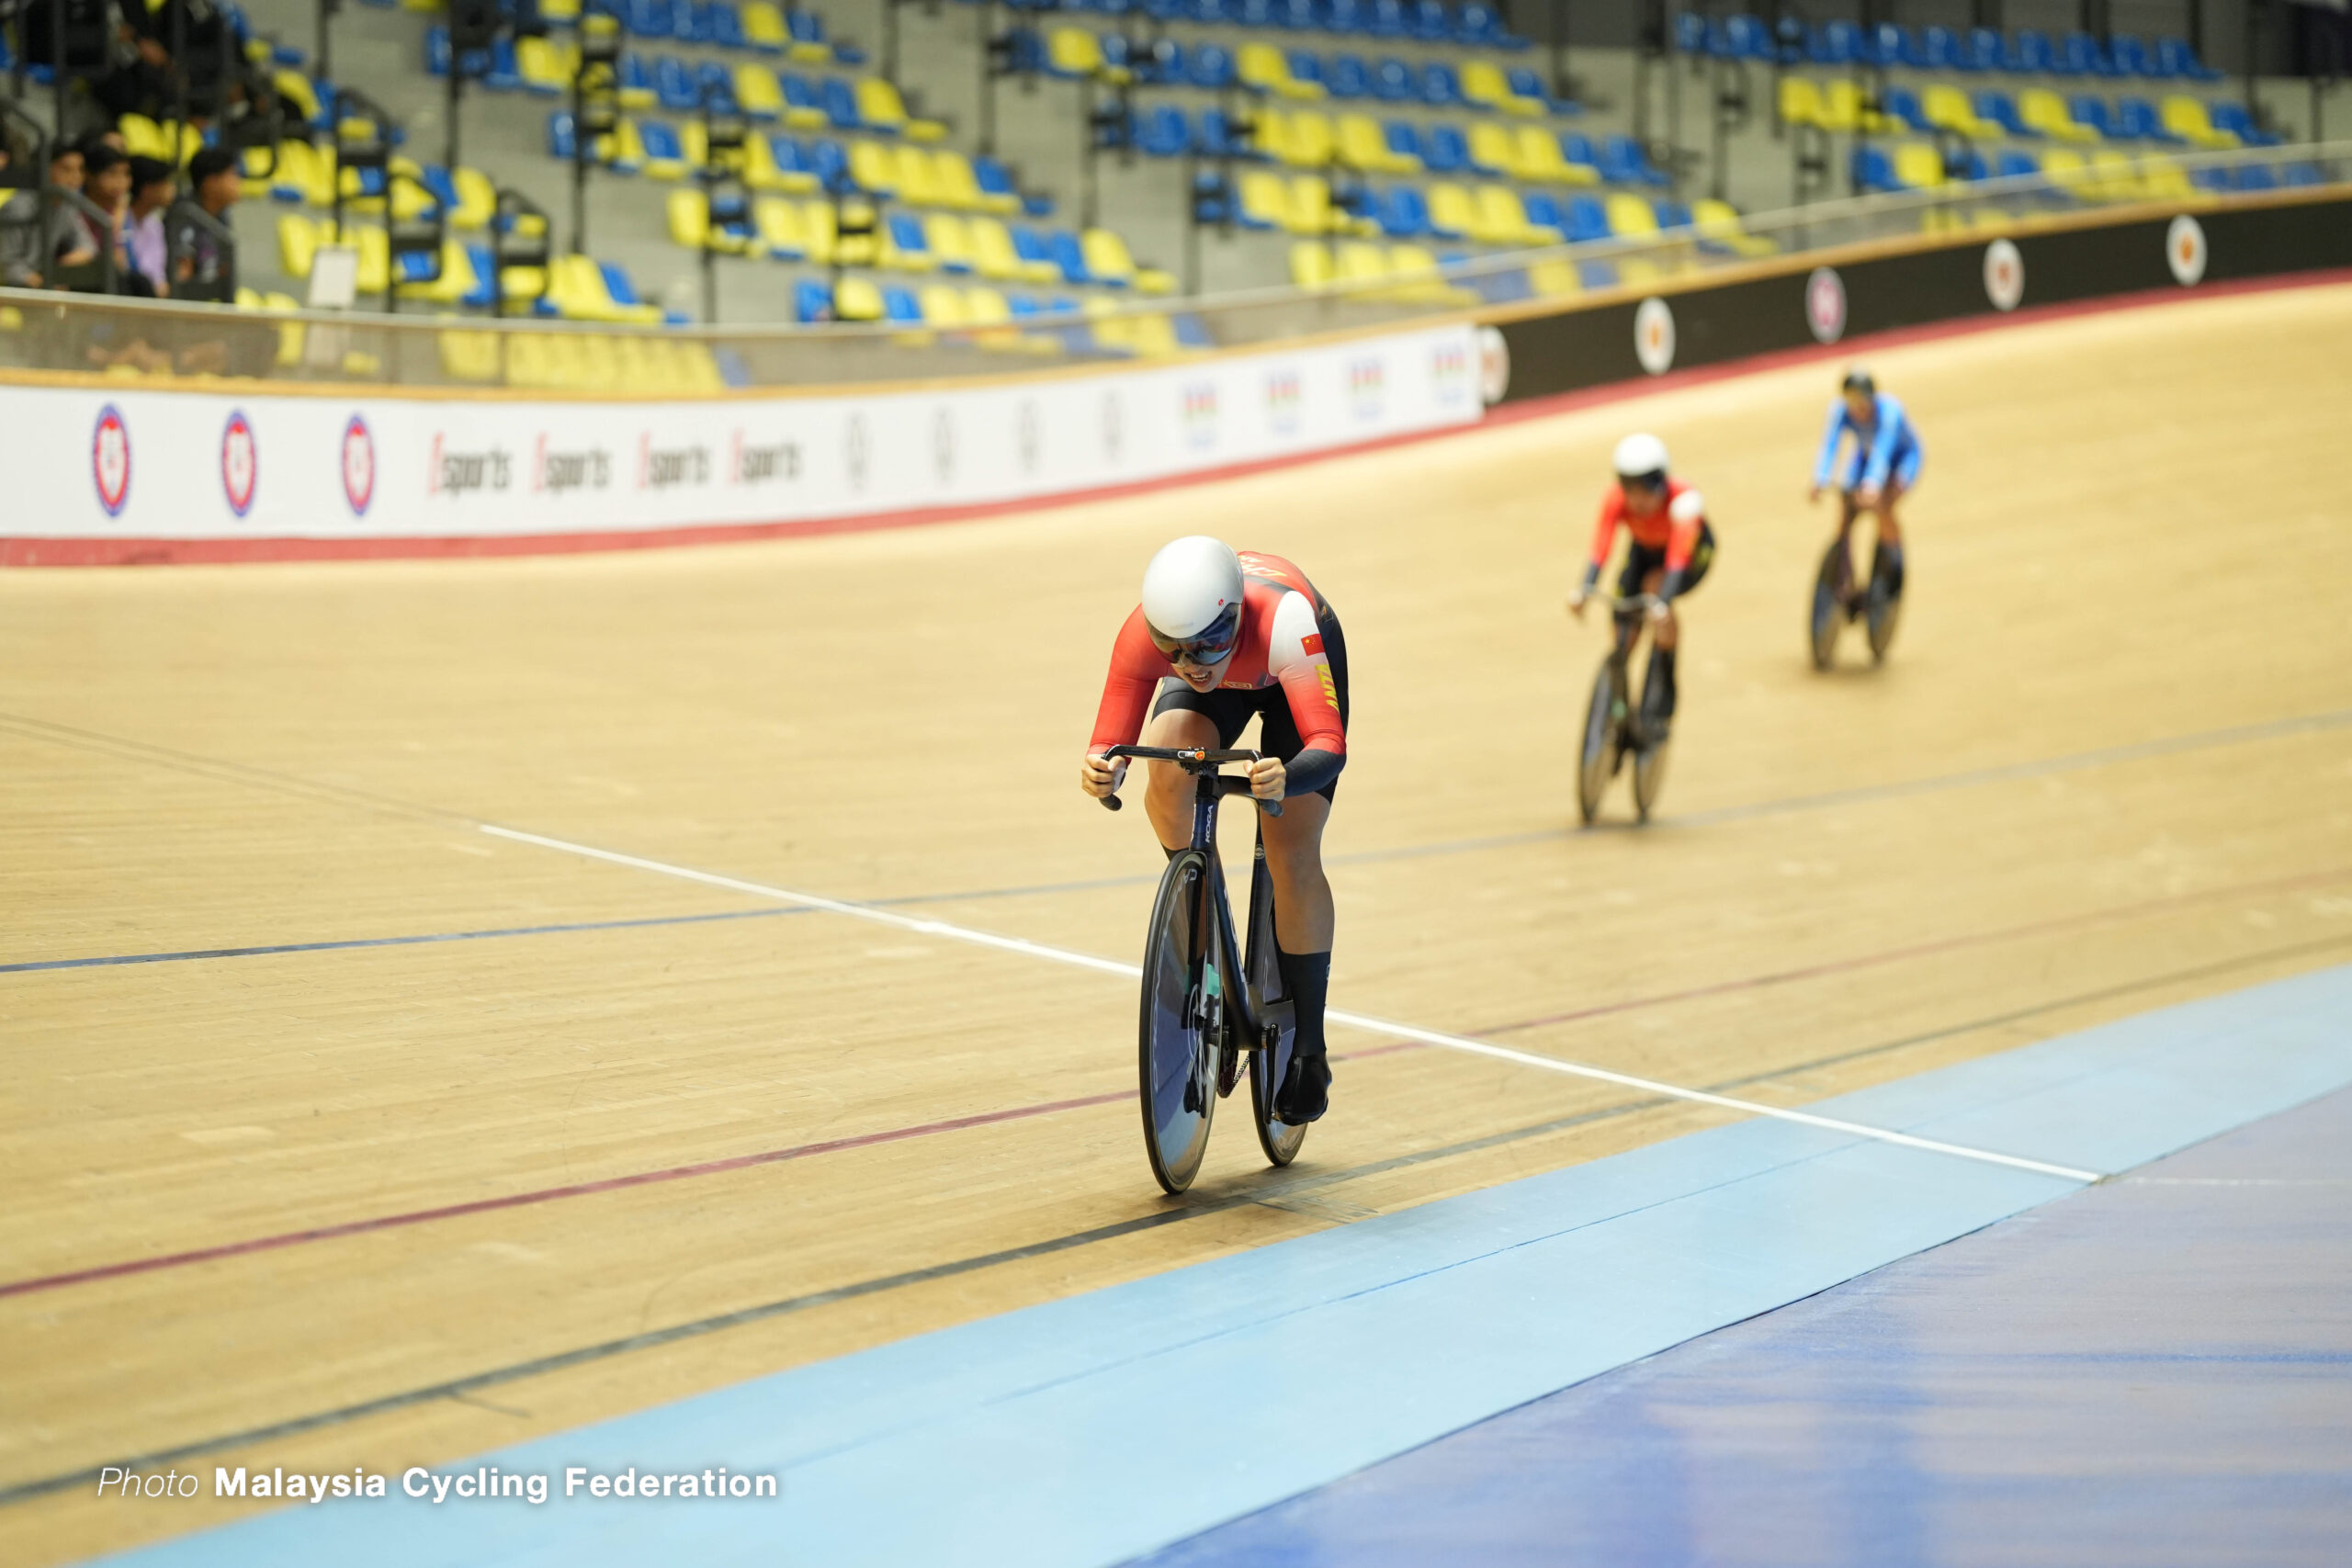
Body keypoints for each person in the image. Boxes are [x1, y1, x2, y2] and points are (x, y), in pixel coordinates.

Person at [1080, 537, 1348, 1125]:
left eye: (1207, 641)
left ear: (1235, 617)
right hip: (1233, 683)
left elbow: (1328, 745)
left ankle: (1311, 1049)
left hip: (1290, 681)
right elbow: (1110, 742)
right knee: (1170, 757)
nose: (1190, 661)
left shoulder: (1285, 623)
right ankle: (1202, 913)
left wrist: (1287, 775)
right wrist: (1104, 771)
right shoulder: (1152, 635)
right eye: (1172, 648)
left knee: (1292, 848)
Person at [1568, 433, 1715, 744]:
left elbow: (1676, 559)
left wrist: (1662, 604)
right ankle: (1619, 707)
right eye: (1630, 490)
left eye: (1646, 490)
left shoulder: (1685, 504)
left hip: (1689, 555)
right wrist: (1584, 589)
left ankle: (1663, 690)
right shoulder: (1615, 500)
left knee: (1654, 590)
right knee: (1624, 625)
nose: (1638, 501)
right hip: (1644, 551)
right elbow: (1600, 548)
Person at [1809, 368, 1920, 608]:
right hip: (1865, 457)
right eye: (1851, 402)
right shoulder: (1839, 411)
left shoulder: (1890, 412)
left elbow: (1883, 449)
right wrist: (1820, 479)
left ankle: (1892, 563)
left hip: (1902, 459)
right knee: (1846, 508)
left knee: (1883, 504)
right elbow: (1830, 445)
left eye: (1862, 403)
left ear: (1872, 399)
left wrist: (1872, 486)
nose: (1857, 408)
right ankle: (1845, 578)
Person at [170, 146, 242, 298]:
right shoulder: (184, 214)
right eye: (232, 175)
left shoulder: (222, 217)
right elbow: (182, 276)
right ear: (210, 182)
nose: (238, 181)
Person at [123, 155, 175, 296]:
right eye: (165, 183)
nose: (172, 188)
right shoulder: (120, 220)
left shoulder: (154, 223)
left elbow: (158, 276)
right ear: (147, 189)